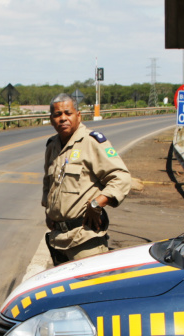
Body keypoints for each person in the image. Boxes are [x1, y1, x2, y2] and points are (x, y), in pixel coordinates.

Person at [42, 93, 131, 265]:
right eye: (57, 115)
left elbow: (121, 177)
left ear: (78, 115)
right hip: (58, 240)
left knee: (93, 289)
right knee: (65, 292)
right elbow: (48, 184)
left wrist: (97, 204)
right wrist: (48, 211)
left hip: (85, 240)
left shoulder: (92, 142)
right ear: (51, 119)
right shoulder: (52, 146)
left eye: (68, 113)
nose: (63, 118)